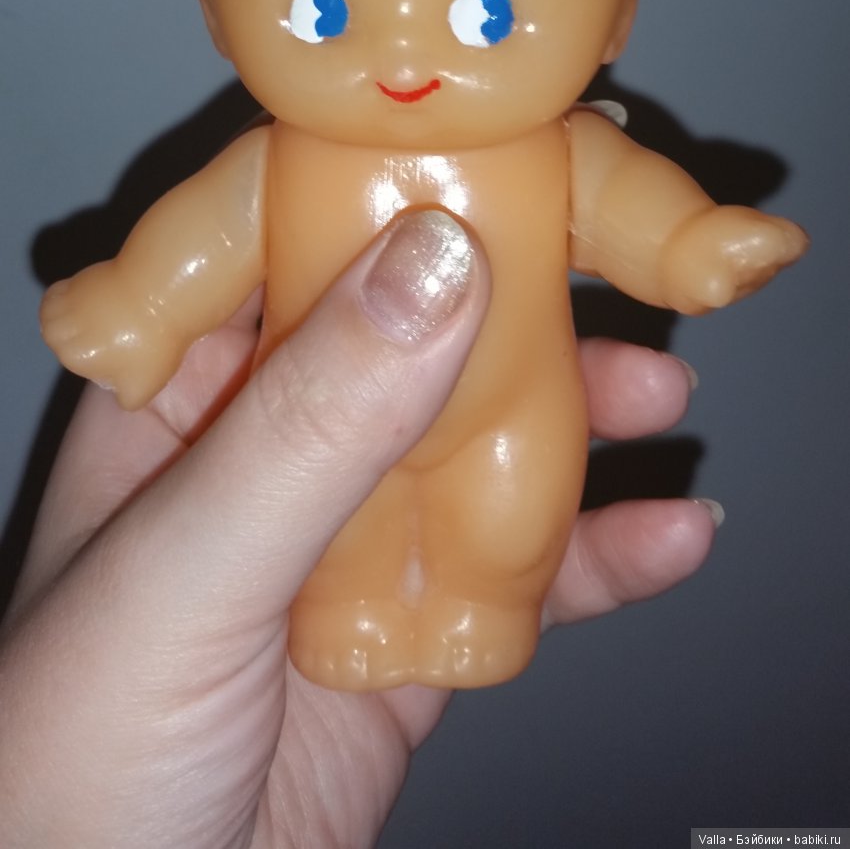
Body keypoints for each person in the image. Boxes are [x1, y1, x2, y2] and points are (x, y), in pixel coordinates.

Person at [0, 209, 719, 848]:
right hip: (343, 467)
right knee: (341, 537)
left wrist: (684, 243)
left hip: (511, 416)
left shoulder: (554, 158)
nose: (407, 89)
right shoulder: (284, 164)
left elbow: (621, 205)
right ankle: (349, 609)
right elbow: (214, 230)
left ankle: (485, 600)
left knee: (513, 519)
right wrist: (146, 303)